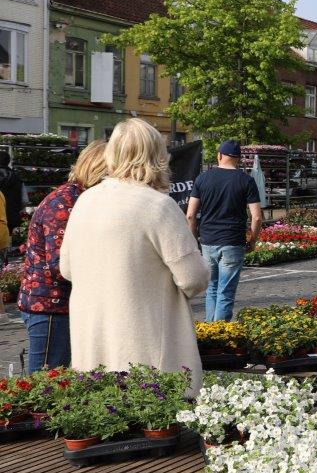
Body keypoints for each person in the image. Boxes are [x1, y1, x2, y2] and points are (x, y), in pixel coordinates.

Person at [61, 119, 209, 394]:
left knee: (103, 416)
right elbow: (194, 278)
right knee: (155, 424)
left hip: (94, 346)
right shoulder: (158, 206)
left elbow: (67, 269)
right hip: (147, 350)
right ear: (158, 157)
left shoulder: (85, 201)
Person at [17, 141, 108, 372]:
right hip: (49, 306)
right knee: (45, 381)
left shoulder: (76, 198)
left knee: (53, 379)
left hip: (55, 304)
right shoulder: (65, 203)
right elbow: (60, 265)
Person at [186, 140, 263, 322]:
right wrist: (252, 240)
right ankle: (220, 336)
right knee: (226, 292)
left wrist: (194, 238)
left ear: (219, 156)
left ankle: (210, 332)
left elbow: (190, 215)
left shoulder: (202, 179)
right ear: (238, 158)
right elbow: (257, 217)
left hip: (208, 241)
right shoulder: (247, 180)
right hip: (233, 241)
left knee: (212, 289)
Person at [0, 150, 26, 236]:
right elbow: (24, 201)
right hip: (12, 218)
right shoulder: (17, 177)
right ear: (8, 161)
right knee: (8, 244)